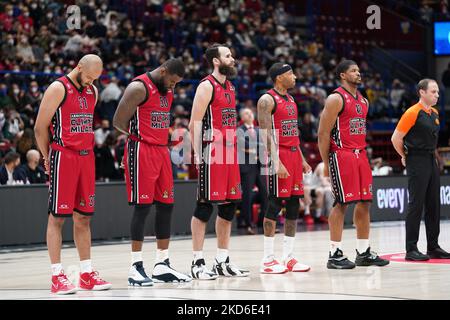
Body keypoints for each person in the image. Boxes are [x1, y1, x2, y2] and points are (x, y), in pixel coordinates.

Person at [34, 54, 112, 294]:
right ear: (78, 67)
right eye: (88, 77)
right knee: (57, 217)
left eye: (94, 79)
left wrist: (91, 84)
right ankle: (57, 276)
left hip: (86, 158)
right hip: (63, 156)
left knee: (84, 217)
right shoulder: (58, 88)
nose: (90, 82)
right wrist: (47, 158)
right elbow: (39, 128)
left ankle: (86, 273)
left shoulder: (92, 91)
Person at [113, 58, 192, 285]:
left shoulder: (167, 91)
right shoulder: (139, 87)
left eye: (177, 84)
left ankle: (162, 264)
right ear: (163, 71)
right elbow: (118, 121)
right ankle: (136, 267)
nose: (173, 87)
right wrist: (130, 149)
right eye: (172, 81)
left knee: (166, 206)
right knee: (142, 207)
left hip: (161, 151)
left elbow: (156, 121)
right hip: (141, 149)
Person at [317, 60, 389, 269]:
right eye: (353, 71)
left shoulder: (364, 102)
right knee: (341, 203)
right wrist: (325, 163)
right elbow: (323, 133)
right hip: (342, 155)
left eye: (359, 70)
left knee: (365, 201)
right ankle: (334, 253)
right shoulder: (335, 98)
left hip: (360, 154)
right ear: (342, 75)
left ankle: (363, 251)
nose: (359, 73)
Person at [189, 43, 249, 280]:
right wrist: (195, 153)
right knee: (204, 206)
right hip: (211, 151)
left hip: (230, 152)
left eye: (231, 55)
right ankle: (197, 262)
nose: (232, 59)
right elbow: (194, 121)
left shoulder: (231, 87)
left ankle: (222, 261)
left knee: (229, 206)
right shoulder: (206, 86)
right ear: (216, 61)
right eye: (227, 55)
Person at [257, 62, 312, 274]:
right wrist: (276, 160)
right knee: (273, 204)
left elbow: (293, 134)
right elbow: (265, 133)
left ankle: (288, 257)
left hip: (293, 156)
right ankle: (267, 259)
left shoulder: (291, 100)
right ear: (280, 77)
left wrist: (302, 159)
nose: (295, 77)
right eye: (291, 74)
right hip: (277, 156)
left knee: (293, 205)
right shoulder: (267, 99)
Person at [391, 78, 450, 260]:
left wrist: (437, 159)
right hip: (416, 159)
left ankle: (433, 246)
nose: (437, 95)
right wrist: (404, 156)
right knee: (416, 204)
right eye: (433, 92)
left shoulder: (434, 113)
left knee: (433, 204)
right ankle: (411, 249)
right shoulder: (412, 112)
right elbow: (396, 138)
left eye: (438, 92)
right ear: (422, 92)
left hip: (430, 159)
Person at [236, 107, 268, 235]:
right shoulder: (239, 130)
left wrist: (254, 148)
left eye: (250, 112)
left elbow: (265, 144)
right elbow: (243, 146)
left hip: (260, 165)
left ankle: (263, 222)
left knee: (266, 194)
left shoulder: (259, 130)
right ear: (242, 117)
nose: (249, 114)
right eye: (246, 113)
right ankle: (248, 224)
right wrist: (257, 147)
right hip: (247, 166)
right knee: (247, 196)